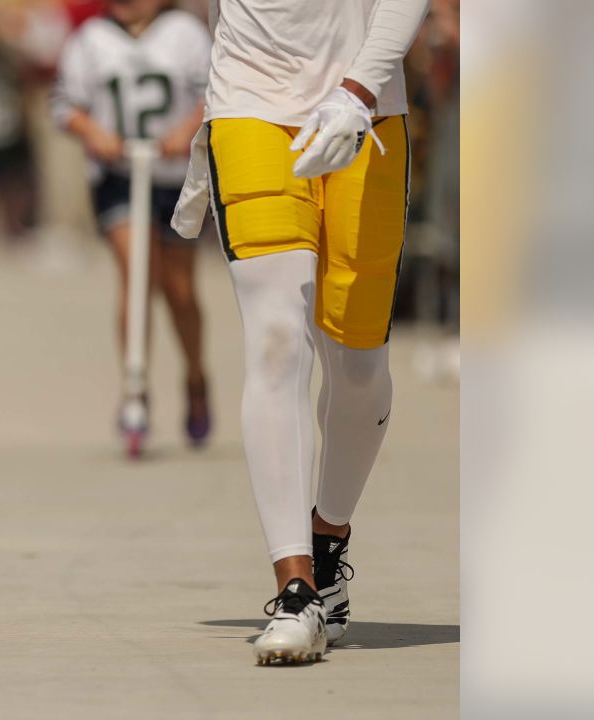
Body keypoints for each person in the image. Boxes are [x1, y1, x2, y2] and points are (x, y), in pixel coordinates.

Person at [171, 0, 430, 664]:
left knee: (358, 363)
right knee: (277, 338)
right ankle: (294, 589)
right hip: (249, 107)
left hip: (366, 112)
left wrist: (357, 88)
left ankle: (327, 539)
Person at [50, 0, 213, 444]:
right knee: (136, 271)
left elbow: (216, 93)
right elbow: (64, 105)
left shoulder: (185, 33)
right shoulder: (90, 39)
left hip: (177, 177)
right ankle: (135, 389)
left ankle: (195, 378)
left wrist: (187, 130)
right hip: (119, 176)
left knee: (180, 290)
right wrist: (94, 133)